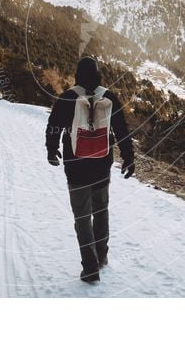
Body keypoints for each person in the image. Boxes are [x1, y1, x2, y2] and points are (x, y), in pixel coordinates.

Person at [45, 56, 135, 283]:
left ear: (77, 74)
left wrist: (51, 150)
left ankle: (90, 266)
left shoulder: (67, 97)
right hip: (102, 166)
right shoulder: (109, 97)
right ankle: (102, 256)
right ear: (98, 74)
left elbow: (53, 127)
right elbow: (122, 130)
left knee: (82, 217)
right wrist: (128, 158)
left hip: (75, 169)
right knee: (101, 210)